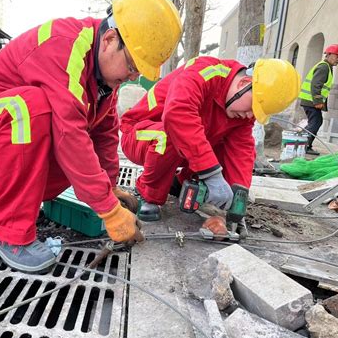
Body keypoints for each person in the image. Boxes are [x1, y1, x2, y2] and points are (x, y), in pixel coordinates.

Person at [0, 0, 182, 273]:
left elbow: (105, 133)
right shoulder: (66, 45)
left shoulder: (103, 80)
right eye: (132, 65)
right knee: (36, 110)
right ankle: (6, 231)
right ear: (109, 40)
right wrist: (107, 209)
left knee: (71, 158)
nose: (134, 76)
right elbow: (70, 134)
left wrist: (108, 190)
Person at [120, 56, 300, 225]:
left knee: (227, 144)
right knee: (173, 131)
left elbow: (241, 150)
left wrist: (238, 195)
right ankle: (148, 194)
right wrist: (212, 175)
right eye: (253, 107)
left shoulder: (242, 112)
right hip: (140, 134)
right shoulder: (205, 71)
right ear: (244, 84)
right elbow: (177, 114)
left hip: (178, 148)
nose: (250, 115)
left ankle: (180, 183)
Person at [298, 44, 338, 155]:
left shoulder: (327, 67)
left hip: (310, 101)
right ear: (328, 55)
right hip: (311, 101)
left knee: (316, 122)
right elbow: (316, 85)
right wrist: (317, 101)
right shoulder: (324, 67)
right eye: (336, 56)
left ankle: (303, 144)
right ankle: (304, 146)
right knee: (316, 122)